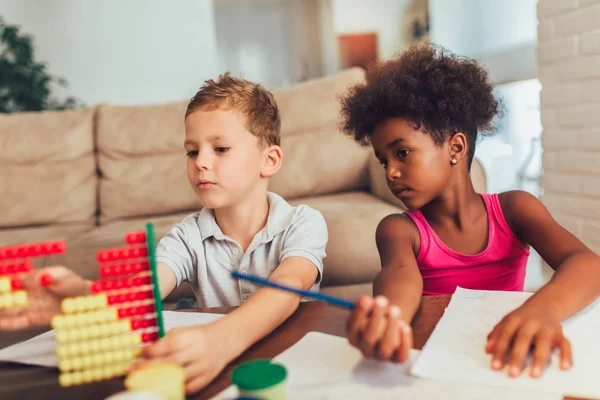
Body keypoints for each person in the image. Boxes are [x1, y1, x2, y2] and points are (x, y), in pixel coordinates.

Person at [0, 73, 328, 394]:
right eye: (192, 151)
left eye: (221, 149)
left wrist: (222, 339)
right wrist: (87, 297)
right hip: (213, 368)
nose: (201, 162)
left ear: (269, 160)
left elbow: (288, 286)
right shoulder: (188, 235)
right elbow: (147, 287)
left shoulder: (302, 223)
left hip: (294, 364)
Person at [341, 42, 600, 379]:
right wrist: (390, 317)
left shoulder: (515, 208)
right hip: (435, 364)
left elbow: (588, 264)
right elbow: (399, 277)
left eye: (401, 153)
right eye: (382, 160)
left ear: (456, 147)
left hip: (505, 358)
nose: (389, 171)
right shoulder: (399, 230)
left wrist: (543, 310)